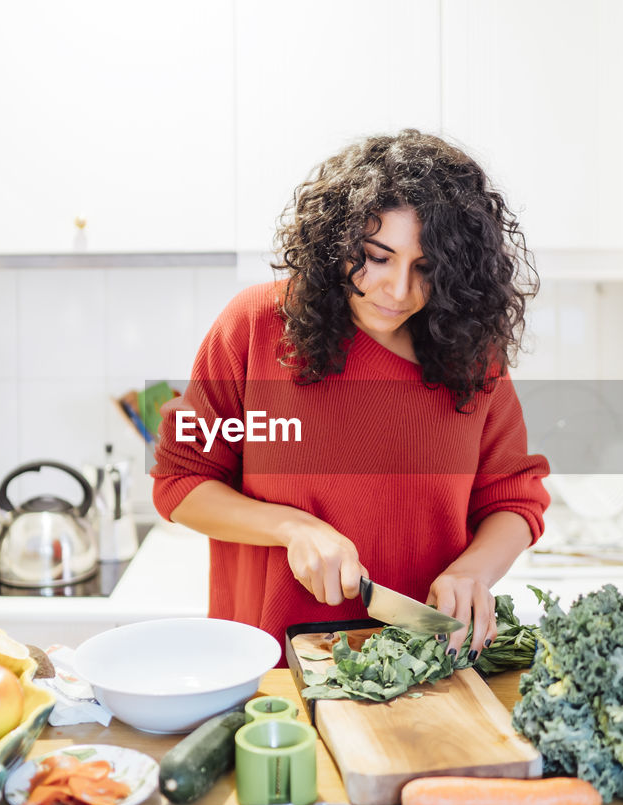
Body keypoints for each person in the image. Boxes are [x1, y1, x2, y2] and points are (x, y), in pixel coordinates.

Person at [150, 129, 549, 662]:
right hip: (270, 670)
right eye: (377, 257)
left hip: (423, 667)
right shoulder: (256, 326)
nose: (399, 290)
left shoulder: (475, 357)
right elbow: (181, 481)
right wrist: (292, 528)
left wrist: (474, 570)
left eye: (426, 268)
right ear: (337, 240)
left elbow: (514, 499)